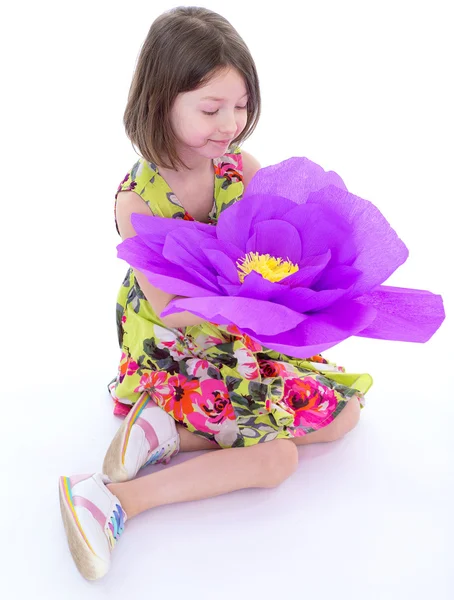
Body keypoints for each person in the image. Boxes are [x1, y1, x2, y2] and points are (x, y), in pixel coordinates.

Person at [59, 6, 372, 581]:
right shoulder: (138, 198)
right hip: (174, 346)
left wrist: (294, 299)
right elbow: (167, 311)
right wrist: (248, 314)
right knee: (278, 458)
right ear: (160, 101)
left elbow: (277, 254)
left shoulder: (240, 168)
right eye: (210, 109)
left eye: (241, 106)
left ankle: (164, 434)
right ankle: (110, 500)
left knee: (344, 411)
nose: (229, 123)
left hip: (238, 333)